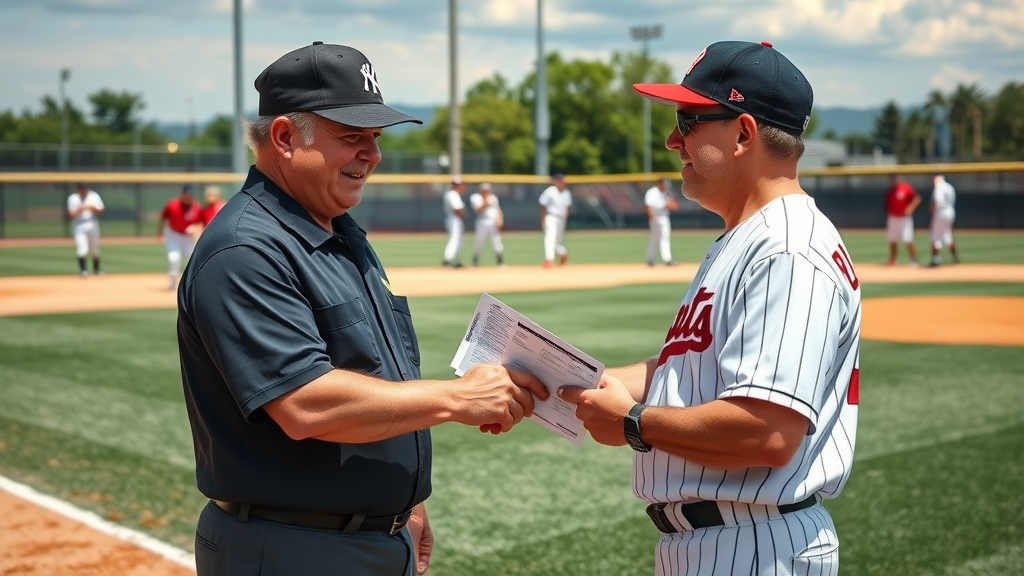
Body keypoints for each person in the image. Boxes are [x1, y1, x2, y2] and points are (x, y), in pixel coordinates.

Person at [176, 42, 547, 576]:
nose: (371, 155)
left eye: (374, 138)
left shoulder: (339, 232)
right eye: (352, 137)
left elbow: (374, 374)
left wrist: (403, 503)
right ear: (283, 137)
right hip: (292, 547)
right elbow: (305, 403)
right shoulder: (246, 249)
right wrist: (458, 398)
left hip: (361, 537)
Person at [558, 40, 862, 576]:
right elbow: (690, 369)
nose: (674, 139)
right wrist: (579, 380)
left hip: (756, 546)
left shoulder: (787, 248)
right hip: (729, 539)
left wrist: (632, 423)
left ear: (743, 133)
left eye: (689, 120)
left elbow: (765, 432)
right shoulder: (748, 238)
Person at [157, 184, 201, 290]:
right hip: (174, 234)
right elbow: (163, 218)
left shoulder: (196, 207)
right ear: (182, 194)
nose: (187, 197)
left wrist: (194, 229)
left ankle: (193, 284)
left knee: (192, 260)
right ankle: (172, 283)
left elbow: (200, 223)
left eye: (189, 195)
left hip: (188, 237)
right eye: (186, 194)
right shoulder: (172, 205)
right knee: (173, 258)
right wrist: (160, 233)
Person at [67, 181, 105, 277]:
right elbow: (71, 215)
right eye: (82, 188)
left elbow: (101, 210)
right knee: (82, 248)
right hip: (79, 224)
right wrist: (80, 209)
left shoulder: (93, 196)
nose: (84, 190)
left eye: (85, 187)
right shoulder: (73, 198)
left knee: (94, 248)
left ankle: (97, 270)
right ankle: (83, 270)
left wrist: (92, 208)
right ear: (78, 189)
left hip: (92, 222)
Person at [884, 173, 921, 266]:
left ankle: (914, 259)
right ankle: (893, 259)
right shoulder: (890, 192)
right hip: (893, 218)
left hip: (904, 219)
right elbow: (887, 204)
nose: (894, 180)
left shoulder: (906, 188)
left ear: (899, 179)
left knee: (908, 239)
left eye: (896, 178)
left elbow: (917, 198)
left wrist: (911, 208)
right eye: (893, 179)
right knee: (892, 239)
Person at [538, 173, 572, 267]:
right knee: (549, 237)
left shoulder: (566, 192)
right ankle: (549, 259)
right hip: (551, 217)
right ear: (556, 181)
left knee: (557, 240)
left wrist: (567, 212)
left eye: (563, 181)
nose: (562, 182)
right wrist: (543, 219)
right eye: (560, 180)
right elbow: (542, 204)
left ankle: (562, 252)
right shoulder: (549, 191)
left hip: (561, 219)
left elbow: (568, 205)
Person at [643, 177, 679, 266]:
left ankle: (667, 259)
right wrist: (652, 217)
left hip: (664, 218)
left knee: (665, 237)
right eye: (664, 184)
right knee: (654, 239)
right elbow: (647, 205)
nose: (666, 186)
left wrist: (671, 204)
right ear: (659, 183)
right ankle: (650, 259)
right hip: (655, 218)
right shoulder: (652, 192)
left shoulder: (666, 193)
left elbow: (674, 206)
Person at [469, 182, 505, 267]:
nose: (486, 192)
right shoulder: (476, 198)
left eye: (487, 190)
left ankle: (500, 262)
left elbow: (498, 209)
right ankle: (475, 262)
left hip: (493, 222)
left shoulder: (493, 197)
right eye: (484, 190)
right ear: (480, 190)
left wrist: (500, 220)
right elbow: (478, 210)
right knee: (479, 241)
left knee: (496, 241)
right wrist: (486, 203)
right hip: (482, 221)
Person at [928, 172, 959, 266]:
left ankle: (935, 259)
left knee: (935, 236)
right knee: (947, 235)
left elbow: (938, 201)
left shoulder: (938, 187)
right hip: (950, 211)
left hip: (941, 211)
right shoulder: (949, 186)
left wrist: (933, 211)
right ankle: (955, 258)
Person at [441, 176, 466, 268]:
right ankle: (448, 260)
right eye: (459, 184)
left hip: (453, 219)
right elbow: (457, 209)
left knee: (458, 240)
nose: (461, 186)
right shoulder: (453, 194)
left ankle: (454, 260)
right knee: (455, 239)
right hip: (454, 219)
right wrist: (463, 216)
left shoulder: (451, 194)